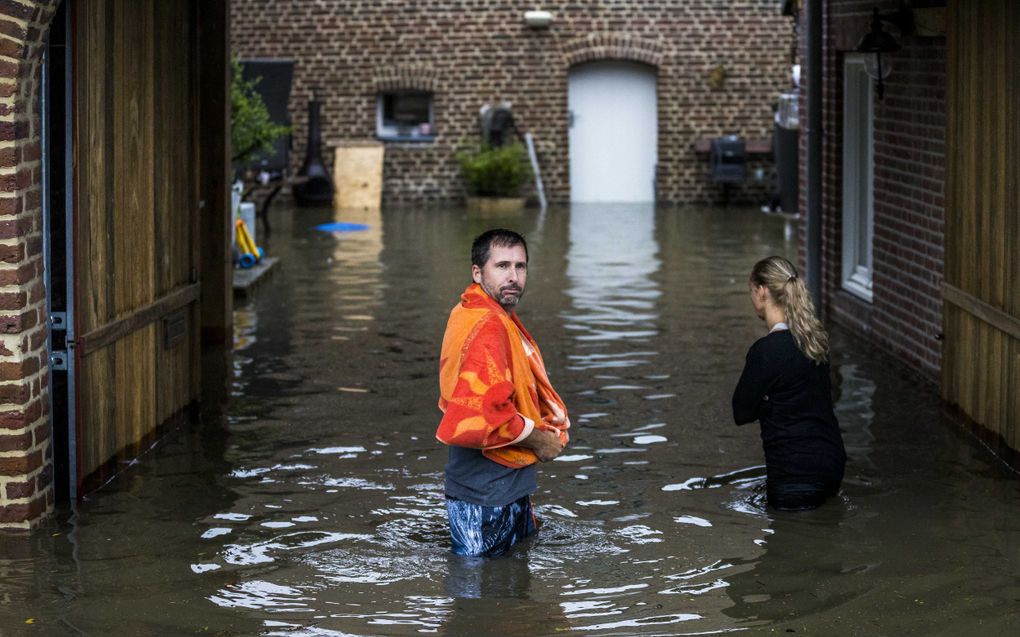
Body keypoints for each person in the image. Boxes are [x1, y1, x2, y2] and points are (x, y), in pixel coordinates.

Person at [436, 229, 570, 557]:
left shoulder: (473, 310)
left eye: (520, 267)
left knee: (507, 592)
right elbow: (487, 416)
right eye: (503, 266)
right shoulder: (488, 326)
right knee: (479, 595)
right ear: (477, 272)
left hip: (503, 487)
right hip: (486, 496)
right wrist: (542, 441)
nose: (513, 277)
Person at [732, 256, 846, 510]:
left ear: (761, 291)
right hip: (831, 462)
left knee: (787, 544)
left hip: (792, 470)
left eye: (751, 291)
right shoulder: (816, 343)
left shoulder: (766, 351)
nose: (752, 299)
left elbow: (741, 411)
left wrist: (769, 401)